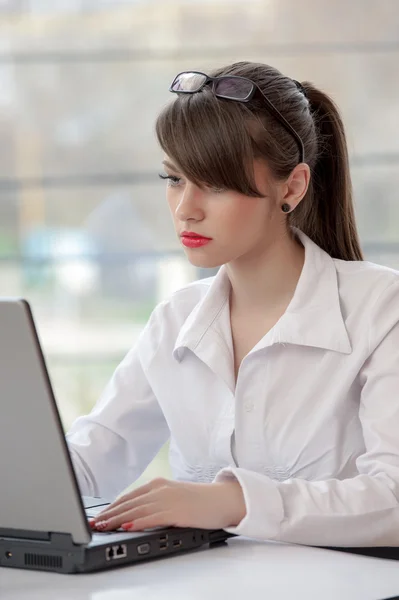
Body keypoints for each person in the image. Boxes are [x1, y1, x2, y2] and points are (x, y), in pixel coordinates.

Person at [66, 61, 399, 547]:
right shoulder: (175, 319)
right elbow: (93, 458)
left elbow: (393, 499)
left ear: (292, 186)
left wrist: (233, 501)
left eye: (215, 184)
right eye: (175, 179)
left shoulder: (380, 309)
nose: (186, 208)